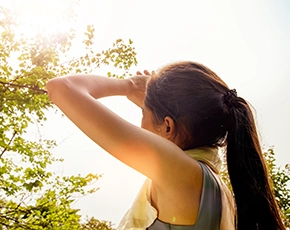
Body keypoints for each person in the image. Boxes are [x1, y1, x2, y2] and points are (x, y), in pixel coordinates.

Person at [46, 61, 285, 230]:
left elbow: (62, 88)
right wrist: (154, 111)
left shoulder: (183, 175)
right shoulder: (218, 191)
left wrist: (128, 85)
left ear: (168, 127)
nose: (140, 126)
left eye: (142, 114)